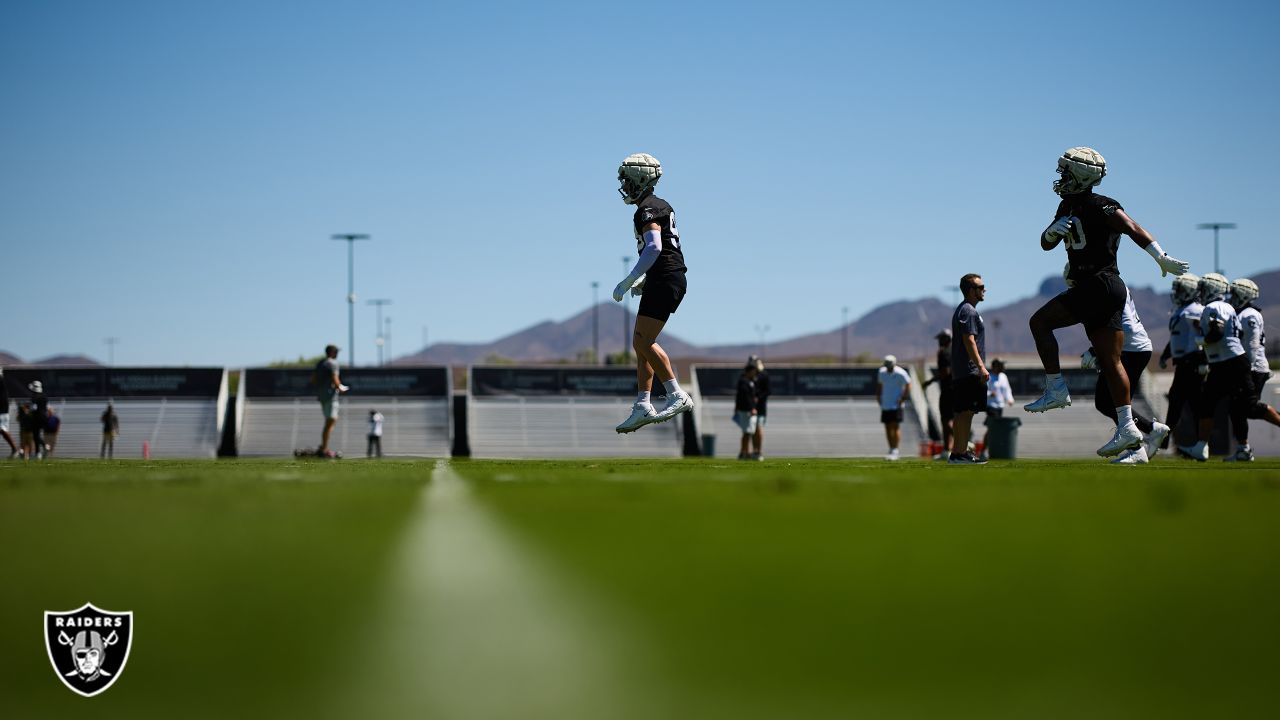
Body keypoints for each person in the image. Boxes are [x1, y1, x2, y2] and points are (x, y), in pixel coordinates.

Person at [1025, 147, 1190, 460]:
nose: (1061, 176)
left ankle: (1056, 389)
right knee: (1110, 359)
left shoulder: (1102, 205)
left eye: (1067, 171)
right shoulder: (1066, 204)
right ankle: (1128, 426)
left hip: (1099, 283)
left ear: (1083, 175)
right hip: (1100, 287)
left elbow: (1132, 227)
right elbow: (1046, 245)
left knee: (1040, 322)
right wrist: (1050, 233)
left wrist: (1160, 256)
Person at [611, 153, 694, 433]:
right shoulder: (656, 205)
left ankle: (676, 394)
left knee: (644, 340)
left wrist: (631, 278)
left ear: (640, 180)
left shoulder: (647, 208)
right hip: (664, 278)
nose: (624, 184)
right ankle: (643, 404)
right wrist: (646, 281)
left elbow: (655, 247)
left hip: (667, 278)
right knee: (640, 342)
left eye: (627, 179)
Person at [1177, 274, 1280, 461]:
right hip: (1226, 363)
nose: (1200, 293)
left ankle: (1228, 448)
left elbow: (1237, 340)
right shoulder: (1231, 309)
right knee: (1216, 404)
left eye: (1203, 289)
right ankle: (1211, 447)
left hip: (1240, 364)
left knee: (1247, 407)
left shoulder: (1240, 312)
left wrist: (1202, 340)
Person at [1079, 286, 1170, 464]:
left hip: (1130, 348)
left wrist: (1095, 351)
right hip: (1133, 347)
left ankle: (1138, 446)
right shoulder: (1108, 284)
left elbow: (1117, 326)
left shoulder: (1101, 288)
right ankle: (1149, 432)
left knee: (1108, 402)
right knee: (1108, 402)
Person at [1221, 277, 1280, 461]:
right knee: (1236, 409)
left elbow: (1253, 345)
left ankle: (1243, 449)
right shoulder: (1240, 313)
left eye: (1236, 293)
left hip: (1253, 367)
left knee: (1249, 407)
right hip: (1244, 366)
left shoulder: (1249, 314)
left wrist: (1246, 367)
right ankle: (1243, 449)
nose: (1232, 296)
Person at [1158, 273, 1205, 449]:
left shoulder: (1195, 310)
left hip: (1193, 362)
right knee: (1178, 401)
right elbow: (1177, 338)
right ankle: (1167, 440)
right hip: (1183, 363)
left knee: (1192, 405)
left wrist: (1203, 361)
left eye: (1180, 289)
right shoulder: (1181, 310)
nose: (1176, 293)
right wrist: (1165, 355)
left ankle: (1200, 443)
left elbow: (1203, 338)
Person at [949, 273, 989, 464]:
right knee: (965, 412)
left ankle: (958, 453)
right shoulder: (968, 311)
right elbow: (969, 340)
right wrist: (981, 367)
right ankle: (960, 453)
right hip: (969, 370)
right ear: (971, 290)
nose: (984, 290)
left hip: (963, 370)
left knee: (963, 412)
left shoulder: (965, 310)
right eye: (980, 287)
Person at [922, 330, 955, 457]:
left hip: (948, 389)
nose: (939, 342)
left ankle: (962, 443)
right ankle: (948, 450)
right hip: (957, 388)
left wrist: (930, 381)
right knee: (952, 419)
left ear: (947, 339)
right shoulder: (957, 351)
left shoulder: (944, 352)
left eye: (941, 339)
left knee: (946, 420)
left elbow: (945, 372)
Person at [314, 345, 349, 457]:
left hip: (322, 396)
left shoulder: (320, 363)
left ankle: (323, 447)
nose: (337, 353)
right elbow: (335, 378)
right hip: (330, 397)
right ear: (332, 352)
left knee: (329, 421)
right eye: (336, 351)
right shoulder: (333, 363)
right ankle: (324, 448)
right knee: (331, 421)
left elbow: (313, 379)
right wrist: (340, 387)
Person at [877, 355, 912, 461]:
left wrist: (903, 398)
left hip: (896, 404)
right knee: (887, 426)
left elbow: (908, 384)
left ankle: (895, 450)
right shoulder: (882, 372)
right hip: (886, 403)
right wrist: (878, 396)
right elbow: (879, 385)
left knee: (895, 426)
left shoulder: (901, 373)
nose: (888, 367)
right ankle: (891, 449)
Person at [980, 358, 1014, 459]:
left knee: (993, 430)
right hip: (991, 407)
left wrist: (1010, 399)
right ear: (995, 367)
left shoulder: (1003, 377)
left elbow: (1007, 390)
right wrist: (990, 394)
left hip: (999, 406)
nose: (1003, 367)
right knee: (992, 429)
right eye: (1001, 365)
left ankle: (990, 451)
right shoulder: (988, 377)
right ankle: (984, 451)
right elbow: (983, 391)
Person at [733, 360, 760, 460]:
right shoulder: (744, 381)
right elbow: (745, 396)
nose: (754, 373)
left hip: (747, 409)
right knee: (746, 432)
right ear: (749, 371)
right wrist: (751, 408)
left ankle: (745, 452)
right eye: (753, 371)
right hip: (746, 410)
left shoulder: (750, 381)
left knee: (748, 432)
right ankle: (744, 452)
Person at [750, 355, 769, 460]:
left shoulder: (764, 375)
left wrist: (758, 397)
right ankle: (755, 450)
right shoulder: (750, 375)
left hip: (760, 407)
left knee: (759, 428)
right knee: (753, 429)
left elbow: (767, 391)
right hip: (751, 406)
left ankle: (759, 451)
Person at [28, 381, 48, 460]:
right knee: (37, 435)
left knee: (36, 435)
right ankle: (43, 448)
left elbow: (34, 408)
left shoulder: (34, 396)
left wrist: (29, 410)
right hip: (44, 417)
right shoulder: (44, 396)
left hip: (36, 417)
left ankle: (38, 452)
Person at [0, 368, 16, 458]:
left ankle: (15, 449)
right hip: (3, 410)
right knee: (2, 430)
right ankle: (15, 449)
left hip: (2, 411)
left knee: (3, 429)